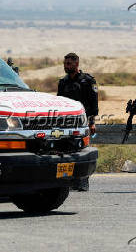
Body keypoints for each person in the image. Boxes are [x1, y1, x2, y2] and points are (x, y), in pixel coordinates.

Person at [57, 52, 98, 191]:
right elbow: (59, 102)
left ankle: (82, 183)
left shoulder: (87, 81)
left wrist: (92, 122)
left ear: (76, 64)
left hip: (83, 122)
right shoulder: (63, 82)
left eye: (69, 64)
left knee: (81, 151)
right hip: (66, 123)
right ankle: (67, 182)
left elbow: (94, 104)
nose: (66, 66)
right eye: (65, 64)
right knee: (65, 151)